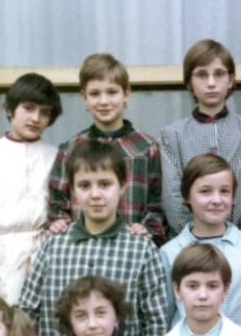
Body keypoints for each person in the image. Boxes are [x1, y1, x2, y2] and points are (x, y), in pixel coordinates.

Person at [19, 140, 169, 336]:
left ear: (122, 186)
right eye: (85, 186)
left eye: (105, 184)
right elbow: (27, 310)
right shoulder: (54, 243)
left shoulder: (141, 248)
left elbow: (155, 322)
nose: (95, 194)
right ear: (72, 190)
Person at [0, 73, 62, 304]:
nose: (35, 118)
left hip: (47, 252)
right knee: (8, 323)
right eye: (28, 108)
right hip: (3, 259)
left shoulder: (56, 157)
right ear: (9, 108)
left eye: (44, 112)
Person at [47, 53, 165, 245]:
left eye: (111, 92)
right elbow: (58, 205)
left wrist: (148, 227)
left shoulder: (146, 148)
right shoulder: (70, 149)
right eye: (95, 94)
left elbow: (156, 204)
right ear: (84, 98)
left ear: (126, 94)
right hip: (82, 249)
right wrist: (60, 223)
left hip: (129, 250)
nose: (103, 101)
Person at [160, 39, 241, 235]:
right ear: (189, 83)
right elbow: (172, 196)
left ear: (230, 80)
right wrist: (192, 235)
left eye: (219, 74)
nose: (211, 83)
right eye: (201, 75)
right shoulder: (173, 135)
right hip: (191, 245)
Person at [160, 154, 241, 336]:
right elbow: (164, 316)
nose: (216, 200)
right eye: (205, 191)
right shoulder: (169, 253)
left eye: (224, 191)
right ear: (187, 195)